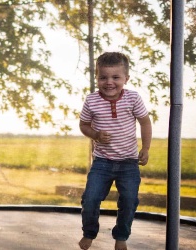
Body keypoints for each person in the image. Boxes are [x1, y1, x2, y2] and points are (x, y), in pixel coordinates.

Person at [77, 52, 152, 250]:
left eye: (115, 77)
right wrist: (95, 134)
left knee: (129, 200)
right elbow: (83, 125)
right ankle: (89, 232)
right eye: (103, 77)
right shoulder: (92, 101)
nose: (109, 82)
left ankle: (121, 237)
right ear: (97, 78)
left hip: (128, 162)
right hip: (102, 162)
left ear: (126, 79)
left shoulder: (133, 98)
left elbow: (145, 122)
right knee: (90, 199)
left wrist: (145, 148)